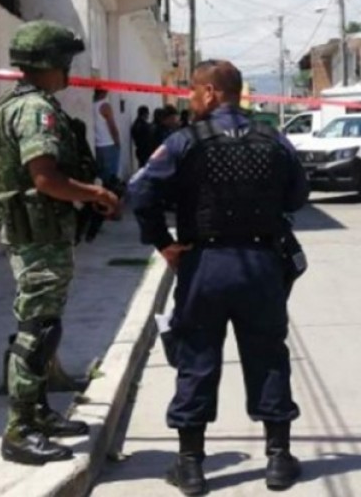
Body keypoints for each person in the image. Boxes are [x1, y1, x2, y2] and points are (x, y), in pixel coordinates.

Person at [128, 59, 309, 495]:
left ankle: (190, 467)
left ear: (210, 93)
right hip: (261, 264)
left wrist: (162, 242)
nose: (188, 100)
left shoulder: (183, 142)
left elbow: (139, 190)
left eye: (192, 92)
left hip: (204, 265)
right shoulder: (273, 138)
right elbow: (299, 195)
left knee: (197, 358)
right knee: (268, 355)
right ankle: (279, 461)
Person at [0, 20, 120, 465]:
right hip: (38, 237)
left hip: (38, 234)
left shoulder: (18, 105)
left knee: (45, 324)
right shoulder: (36, 110)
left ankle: (38, 412)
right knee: (37, 331)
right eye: (66, 61)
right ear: (50, 63)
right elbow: (46, 179)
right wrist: (96, 194)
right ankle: (19, 430)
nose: (70, 71)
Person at [93, 88, 121, 181]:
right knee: (111, 176)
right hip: (108, 143)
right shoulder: (105, 105)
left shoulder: (91, 104)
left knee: (101, 175)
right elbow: (112, 126)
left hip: (97, 145)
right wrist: (117, 141)